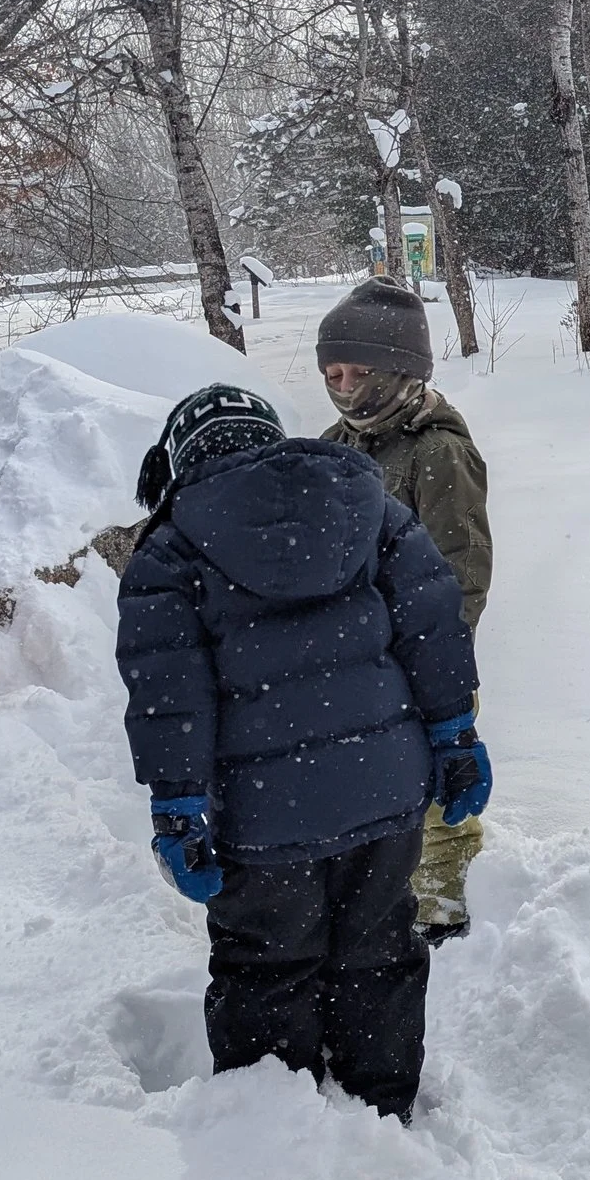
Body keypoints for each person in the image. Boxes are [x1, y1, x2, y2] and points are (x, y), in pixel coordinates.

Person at [115, 383, 490, 1121]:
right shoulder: (368, 506)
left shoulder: (172, 548)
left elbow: (169, 690)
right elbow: (432, 625)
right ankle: (380, 1108)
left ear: (181, 461)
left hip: (263, 819)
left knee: (267, 961)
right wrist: (455, 734)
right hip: (384, 793)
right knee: (379, 947)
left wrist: (179, 804)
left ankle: (271, 1123)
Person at [315, 277, 494, 945]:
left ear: (400, 368)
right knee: (374, 784)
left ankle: (445, 907)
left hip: (426, 660)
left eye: (360, 372)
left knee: (440, 793)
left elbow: (461, 568)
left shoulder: (437, 450)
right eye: (333, 374)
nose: (345, 387)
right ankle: (385, 893)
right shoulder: (337, 442)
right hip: (356, 659)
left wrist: (440, 669)